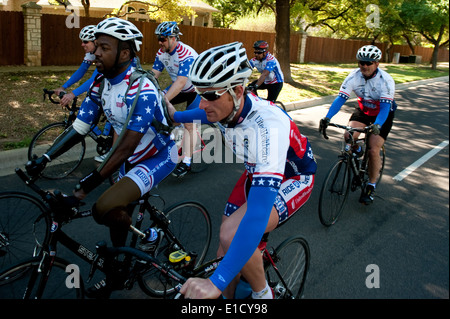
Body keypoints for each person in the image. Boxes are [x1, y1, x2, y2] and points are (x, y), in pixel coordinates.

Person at [26, 17, 177, 298]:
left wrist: (81, 190)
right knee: (118, 211)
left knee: (102, 207)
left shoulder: (141, 89)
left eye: (103, 47)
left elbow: (125, 149)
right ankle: (118, 267)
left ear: (125, 53)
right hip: (127, 157)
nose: (94, 52)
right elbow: (80, 127)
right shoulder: (101, 82)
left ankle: (149, 239)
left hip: (157, 156)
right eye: (96, 46)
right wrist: (43, 159)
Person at [167, 42, 316, 299]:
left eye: (211, 95)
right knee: (224, 250)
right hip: (256, 172)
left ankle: (262, 295)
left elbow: (257, 215)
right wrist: (174, 116)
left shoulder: (269, 126)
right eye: (201, 94)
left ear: (237, 90)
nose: (203, 104)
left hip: (293, 177)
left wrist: (215, 282)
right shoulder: (227, 108)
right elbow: (202, 114)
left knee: (233, 233)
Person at [319, 45, 396, 205]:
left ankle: (371, 185)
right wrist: (327, 117)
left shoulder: (386, 81)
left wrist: (378, 125)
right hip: (364, 110)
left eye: (369, 63)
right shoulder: (353, 76)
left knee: (373, 149)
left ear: (377, 64)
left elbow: (384, 108)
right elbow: (340, 98)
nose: (365, 66)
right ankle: (357, 149)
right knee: (348, 135)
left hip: (383, 114)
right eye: (362, 63)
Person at [52, 25, 112, 163]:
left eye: (86, 42)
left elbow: (93, 79)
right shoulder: (91, 53)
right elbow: (81, 71)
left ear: (95, 42)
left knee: (109, 112)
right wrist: (64, 86)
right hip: (103, 85)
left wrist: (72, 94)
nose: (82, 44)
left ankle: (110, 149)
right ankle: (104, 140)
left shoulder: (102, 53)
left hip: (114, 86)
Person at [152, 21, 199, 178]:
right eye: (158, 38)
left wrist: (163, 99)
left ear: (173, 38)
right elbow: (153, 76)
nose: (159, 42)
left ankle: (186, 161)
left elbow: (180, 83)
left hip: (195, 90)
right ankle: (171, 140)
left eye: (163, 39)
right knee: (157, 108)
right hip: (181, 87)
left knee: (189, 124)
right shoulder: (161, 53)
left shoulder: (186, 54)